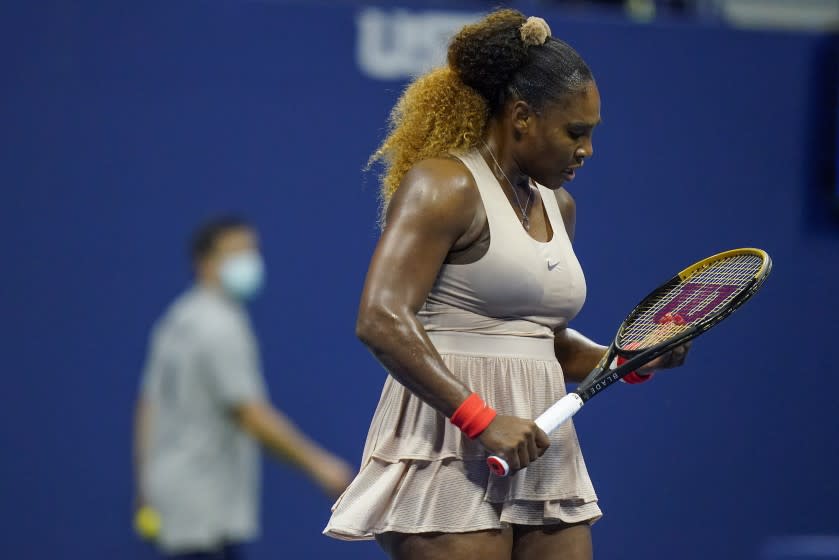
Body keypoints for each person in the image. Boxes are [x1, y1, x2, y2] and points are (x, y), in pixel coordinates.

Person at [324, 9, 689, 560]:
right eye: (575, 132)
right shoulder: (443, 185)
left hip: (540, 444)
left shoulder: (558, 206)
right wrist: (481, 418)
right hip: (447, 443)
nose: (586, 151)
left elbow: (546, 343)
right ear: (521, 117)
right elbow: (380, 318)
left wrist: (632, 357)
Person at [133, 216, 353, 559]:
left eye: (252, 251)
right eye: (236, 253)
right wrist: (319, 465)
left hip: (172, 496)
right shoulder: (220, 327)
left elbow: (148, 405)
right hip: (204, 505)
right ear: (205, 263)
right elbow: (249, 413)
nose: (249, 262)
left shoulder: (176, 320)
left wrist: (146, 481)